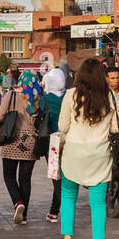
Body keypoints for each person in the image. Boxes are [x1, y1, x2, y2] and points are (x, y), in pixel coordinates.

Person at [57, 58, 119, 239]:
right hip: (100, 154)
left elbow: (63, 126)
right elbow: (117, 129)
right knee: (98, 202)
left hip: (73, 153)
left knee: (68, 196)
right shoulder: (109, 97)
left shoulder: (69, 95)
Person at [0, 69, 40, 224]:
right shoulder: (37, 97)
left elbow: (0, 115)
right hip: (30, 141)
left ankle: (17, 203)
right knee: (25, 180)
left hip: (12, 139)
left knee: (9, 176)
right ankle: (24, 215)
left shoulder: (11, 95)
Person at [39, 66, 67, 223]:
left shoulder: (46, 99)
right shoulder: (68, 96)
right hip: (68, 139)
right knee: (65, 173)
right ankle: (53, 211)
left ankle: (59, 208)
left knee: (56, 176)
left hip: (52, 141)